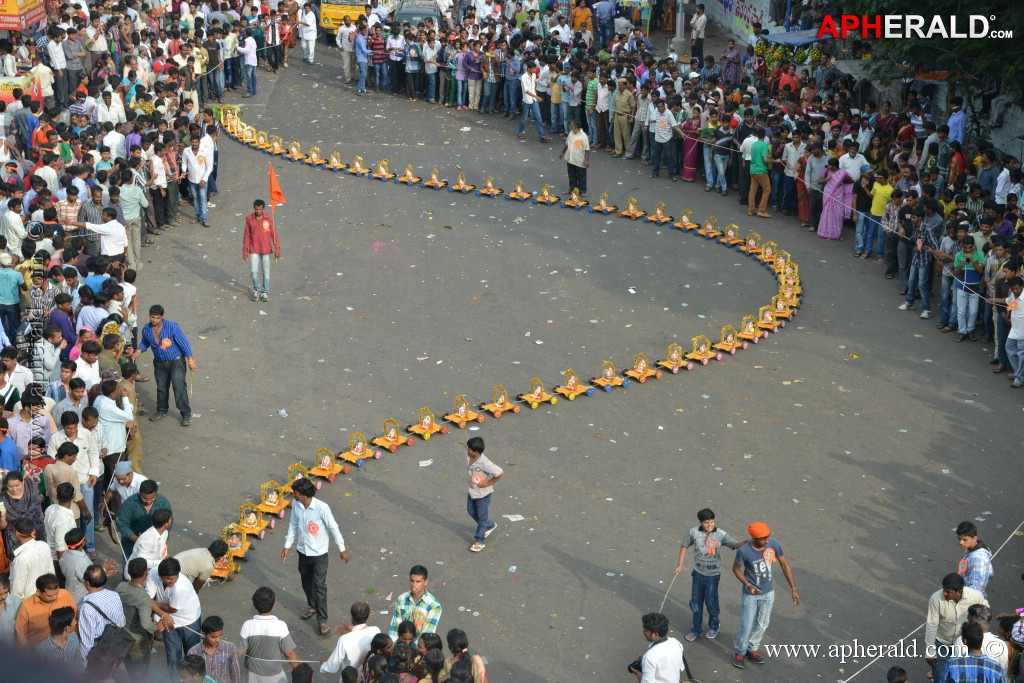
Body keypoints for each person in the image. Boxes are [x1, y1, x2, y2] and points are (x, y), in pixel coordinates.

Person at [281, 477, 349, 636]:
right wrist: (287, 546)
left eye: (295, 493)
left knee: (319, 586)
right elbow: (293, 526)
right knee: (306, 583)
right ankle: (312, 606)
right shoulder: (296, 505)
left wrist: (342, 548)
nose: (293, 496)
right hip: (303, 552)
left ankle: (322, 620)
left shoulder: (322, 508)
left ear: (304, 494)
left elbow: (334, 528)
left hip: (319, 555)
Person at [731, 522, 800, 669]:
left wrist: (793, 588)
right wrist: (749, 585)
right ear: (753, 538)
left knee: (763, 623)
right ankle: (740, 652)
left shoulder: (774, 545)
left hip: (768, 592)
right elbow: (736, 569)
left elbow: (784, 565)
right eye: (762, 538)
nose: (766, 541)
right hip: (750, 594)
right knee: (747, 625)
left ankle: (752, 648)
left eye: (767, 537)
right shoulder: (744, 551)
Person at [675, 508, 743, 642]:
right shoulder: (693, 532)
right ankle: (696, 629)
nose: (710, 525)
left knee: (711, 603)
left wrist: (746, 542)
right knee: (695, 603)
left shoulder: (720, 534)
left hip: (713, 576)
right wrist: (680, 564)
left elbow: (735, 545)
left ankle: (714, 626)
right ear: (701, 522)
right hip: (698, 574)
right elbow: (684, 545)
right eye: (706, 522)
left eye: (712, 522)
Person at [132, 304, 198, 426]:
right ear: (149, 316)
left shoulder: (172, 327)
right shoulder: (146, 329)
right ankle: (161, 410)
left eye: (157, 318)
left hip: (176, 361)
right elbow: (145, 341)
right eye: (152, 317)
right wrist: (139, 350)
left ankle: (185, 413)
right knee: (161, 388)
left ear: (162, 317)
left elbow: (184, 343)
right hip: (159, 363)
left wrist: (191, 359)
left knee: (179, 387)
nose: (155, 320)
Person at [924, 573, 988, 682]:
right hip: (942, 644)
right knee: (940, 678)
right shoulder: (936, 599)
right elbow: (932, 624)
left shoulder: (976, 597)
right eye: (944, 590)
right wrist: (930, 650)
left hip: (965, 646)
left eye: (948, 592)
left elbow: (985, 615)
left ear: (959, 591)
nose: (944, 593)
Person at [148, 556, 203, 674]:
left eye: (175, 577)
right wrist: (161, 617)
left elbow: (172, 609)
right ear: (160, 576)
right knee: (173, 657)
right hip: (168, 619)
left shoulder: (180, 587)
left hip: (189, 620)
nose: (172, 581)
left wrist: (157, 607)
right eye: (168, 579)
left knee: (192, 656)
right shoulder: (153, 574)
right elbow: (148, 599)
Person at [239, 586, 300, 683]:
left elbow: (239, 652)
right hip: (274, 675)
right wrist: (300, 670)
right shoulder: (281, 626)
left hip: (252, 675)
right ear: (273, 604)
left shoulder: (247, 625)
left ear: (254, 604)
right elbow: (289, 653)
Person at [117, 479, 173, 567]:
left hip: (155, 546)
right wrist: (136, 538)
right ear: (140, 493)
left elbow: (169, 521)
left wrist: (162, 539)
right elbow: (122, 524)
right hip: (130, 545)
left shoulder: (163, 503)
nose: (148, 501)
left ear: (156, 493)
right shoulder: (130, 503)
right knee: (130, 568)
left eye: (152, 498)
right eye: (145, 498)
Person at [78, 563, 126, 667]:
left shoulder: (87, 608)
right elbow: (121, 622)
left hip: (97, 652)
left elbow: (87, 641)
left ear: (87, 583)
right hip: (113, 645)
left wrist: (85, 664)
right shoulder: (114, 595)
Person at [116, 557, 156, 677]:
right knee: (140, 673)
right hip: (138, 641)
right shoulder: (143, 596)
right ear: (145, 573)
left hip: (122, 635)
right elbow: (145, 624)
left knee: (129, 667)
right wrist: (156, 627)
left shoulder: (121, 587)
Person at [14, 573, 77, 647]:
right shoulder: (26, 607)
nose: (54, 597)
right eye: (49, 595)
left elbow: (76, 618)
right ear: (38, 592)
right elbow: (21, 634)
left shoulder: (65, 595)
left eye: (57, 593)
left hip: (68, 646)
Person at [465, 436, 503, 553]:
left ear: (476, 452)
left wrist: (487, 483)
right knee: (470, 511)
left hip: (483, 494)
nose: (467, 450)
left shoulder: (485, 463)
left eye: (469, 449)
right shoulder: (469, 457)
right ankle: (490, 525)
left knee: (482, 518)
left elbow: (500, 473)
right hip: (472, 491)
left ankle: (479, 541)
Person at [321, 602, 380, 676]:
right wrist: (352, 629)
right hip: (367, 675)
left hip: (350, 678)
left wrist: (323, 665)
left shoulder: (344, 640)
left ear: (352, 617)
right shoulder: (376, 631)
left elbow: (332, 666)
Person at [627, 612, 685, 682]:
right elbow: (681, 667)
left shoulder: (650, 657)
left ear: (656, 634)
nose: (643, 632)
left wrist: (637, 672)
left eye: (646, 631)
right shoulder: (676, 642)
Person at [243, 199, 281, 303]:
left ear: (263, 208)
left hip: (266, 250)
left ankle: (265, 291)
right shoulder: (249, 219)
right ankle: (256, 289)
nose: (258, 211)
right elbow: (246, 235)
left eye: (260, 209)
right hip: (254, 249)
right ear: (254, 208)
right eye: (256, 209)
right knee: (254, 271)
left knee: (266, 272)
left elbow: (274, 235)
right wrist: (245, 250)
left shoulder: (269, 219)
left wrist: (277, 249)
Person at [390, 565, 443, 640]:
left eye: (418, 581)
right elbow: (394, 628)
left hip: (419, 649)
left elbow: (427, 634)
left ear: (425, 582)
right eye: (412, 581)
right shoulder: (401, 599)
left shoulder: (434, 605)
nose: (414, 585)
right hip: (400, 645)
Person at [187, 615, 242, 683]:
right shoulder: (193, 652)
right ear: (204, 634)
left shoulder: (229, 647)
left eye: (220, 635)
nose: (218, 640)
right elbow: (191, 676)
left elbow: (235, 672)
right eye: (213, 637)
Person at [9, 517, 52, 599]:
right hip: (45, 598)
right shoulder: (44, 545)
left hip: (29, 604)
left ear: (17, 534)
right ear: (33, 532)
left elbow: (16, 592)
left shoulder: (21, 559)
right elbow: (51, 573)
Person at [34, 605, 83, 671]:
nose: (76, 622)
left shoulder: (74, 637)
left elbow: (79, 664)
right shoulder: (41, 650)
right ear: (67, 628)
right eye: (74, 621)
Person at [817, 157, 852, 240]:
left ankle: (836, 234)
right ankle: (825, 232)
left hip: (838, 196)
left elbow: (850, 181)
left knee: (837, 214)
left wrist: (841, 183)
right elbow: (820, 181)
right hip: (828, 194)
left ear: (834, 166)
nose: (828, 166)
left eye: (829, 165)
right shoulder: (826, 171)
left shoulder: (843, 173)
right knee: (826, 212)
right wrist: (826, 179)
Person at [559, 119, 590, 195]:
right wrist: (562, 153)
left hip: (579, 160)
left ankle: (582, 191)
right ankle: (572, 189)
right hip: (570, 159)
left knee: (581, 176)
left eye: (571, 125)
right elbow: (567, 144)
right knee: (571, 175)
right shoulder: (570, 133)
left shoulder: (583, 136)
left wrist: (586, 160)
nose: (569, 126)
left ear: (576, 126)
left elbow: (587, 149)